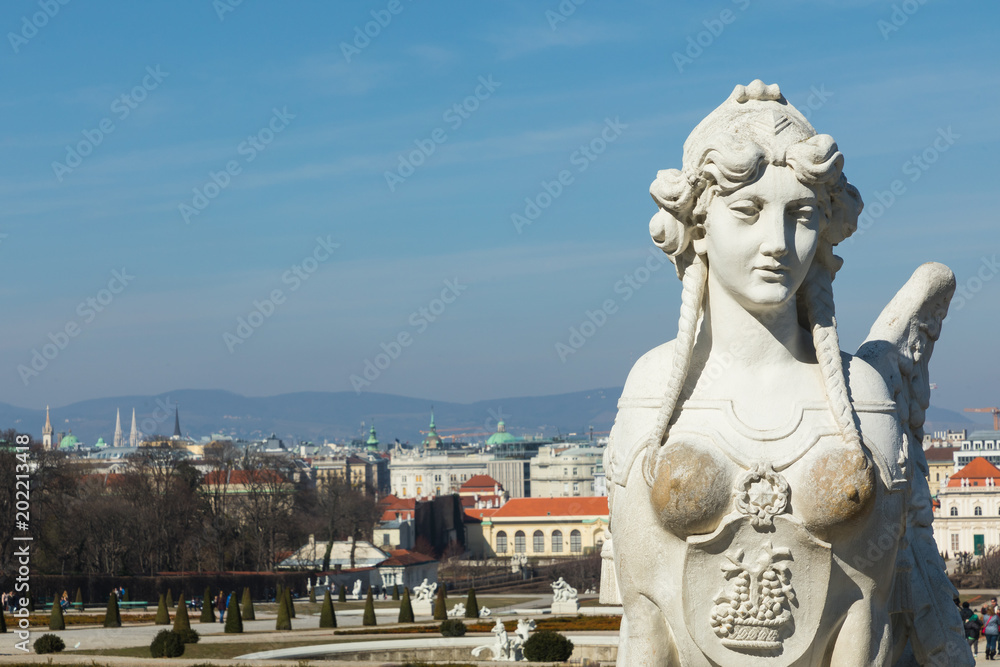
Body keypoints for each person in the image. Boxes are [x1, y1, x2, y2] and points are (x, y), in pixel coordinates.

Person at [604, 80, 969, 666]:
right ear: (697, 223)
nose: (777, 244)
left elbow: (870, 616)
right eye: (747, 212)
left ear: (824, 226)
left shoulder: (860, 394)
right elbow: (642, 624)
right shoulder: (653, 391)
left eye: (800, 215)